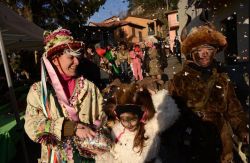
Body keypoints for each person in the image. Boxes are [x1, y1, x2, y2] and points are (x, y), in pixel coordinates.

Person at [168, 24, 249, 163]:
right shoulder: (179, 80)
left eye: (209, 49)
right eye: (199, 50)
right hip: (191, 146)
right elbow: (171, 116)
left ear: (215, 51)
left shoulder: (222, 78)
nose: (205, 53)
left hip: (222, 145)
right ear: (191, 53)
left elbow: (233, 109)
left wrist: (243, 131)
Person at [24, 28, 106, 162]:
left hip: (88, 157)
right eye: (71, 57)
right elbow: (32, 126)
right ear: (55, 60)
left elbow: (102, 116)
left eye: (77, 57)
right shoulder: (39, 91)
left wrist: (97, 135)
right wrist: (70, 128)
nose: (77, 62)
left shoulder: (89, 88)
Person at [96, 83, 180, 163]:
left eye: (132, 119)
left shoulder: (150, 128)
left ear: (140, 116)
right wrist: (102, 153)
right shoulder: (117, 131)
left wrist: (154, 97)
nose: (128, 125)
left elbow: (170, 112)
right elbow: (116, 158)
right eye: (124, 120)